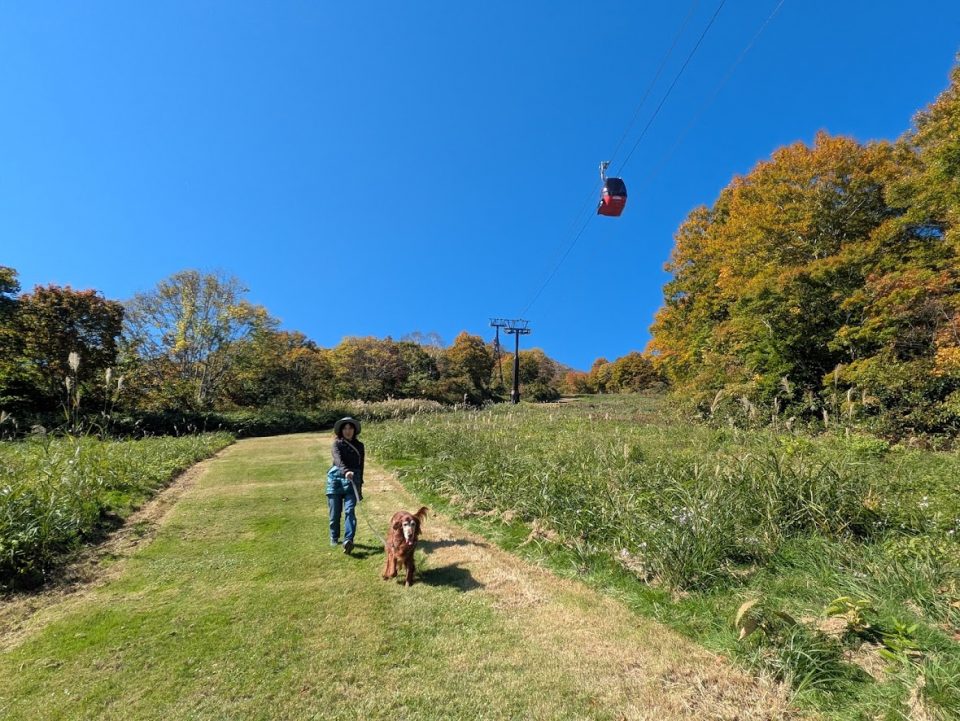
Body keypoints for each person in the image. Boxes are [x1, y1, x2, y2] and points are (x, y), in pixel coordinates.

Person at [326, 417, 365, 554]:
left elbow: (361, 466)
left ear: (354, 430)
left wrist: (360, 484)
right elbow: (338, 460)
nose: (348, 431)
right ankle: (334, 536)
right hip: (336, 480)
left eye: (350, 428)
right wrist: (346, 470)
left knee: (350, 511)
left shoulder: (360, 446)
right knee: (335, 513)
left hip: (352, 481)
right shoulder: (336, 444)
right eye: (345, 428)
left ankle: (348, 540)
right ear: (341, 431)